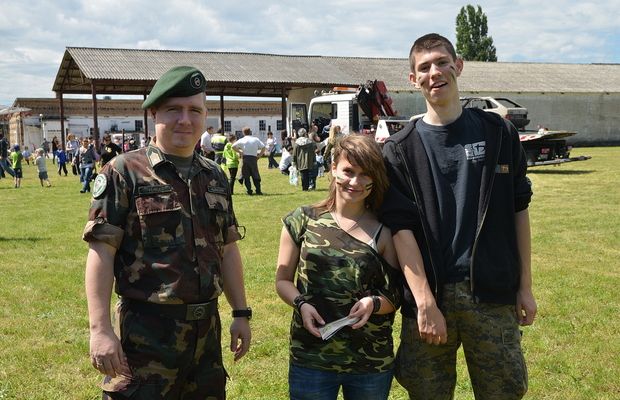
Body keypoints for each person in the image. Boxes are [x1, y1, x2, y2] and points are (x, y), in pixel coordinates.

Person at [379, 33, 536, 399]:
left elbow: (519, 210)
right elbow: (401, 231)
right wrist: (425, 303)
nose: (434, 73)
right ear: (413, 79)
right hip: (431, 295)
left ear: (458, 66)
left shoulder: (499, 133)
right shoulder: (399, 149)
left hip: (492, 291)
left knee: (503, 393)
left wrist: (525, 287)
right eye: (424, 68)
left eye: (442, 62)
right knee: (427, 393)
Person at [83, 66, 251, 400]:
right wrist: (100, 330)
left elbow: (228, 248)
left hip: (207, 336)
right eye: (174, 109)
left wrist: (240, 313)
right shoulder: (124, 171)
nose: (185, 120)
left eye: (195, 111)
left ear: (205, 116)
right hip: (146, 337)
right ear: (154, 114)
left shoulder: (215, 175)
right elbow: (102, 250)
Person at [276, 133, 400, 400]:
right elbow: (282, 279)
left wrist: (372, 304)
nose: (355, 182)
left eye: (366, 174)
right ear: (333, 168)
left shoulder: (385, 230)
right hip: (311, 356)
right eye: (348, 171)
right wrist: (301, 303)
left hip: (370, 360)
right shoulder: (302, 219)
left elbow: (395, 294)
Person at [232, 126, 266, 195]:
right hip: (253, 158)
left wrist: (240, 152)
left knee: (246, 176)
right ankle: (258, 190)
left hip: (245, 158)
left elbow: (233, 146)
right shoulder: (255, 139)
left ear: (243, 133)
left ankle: (249, 191)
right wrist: (259, 156)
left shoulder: (242, 140)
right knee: (255, 175)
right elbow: (263, 147)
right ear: (250, 132)